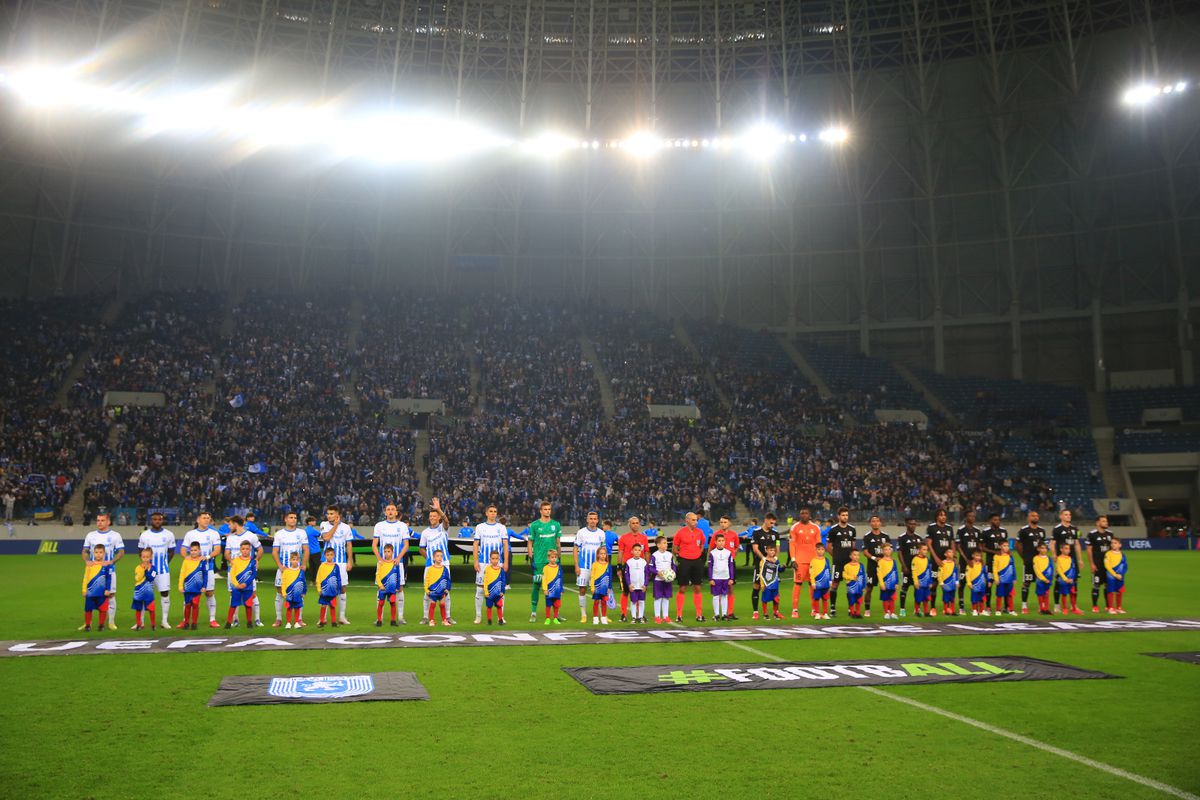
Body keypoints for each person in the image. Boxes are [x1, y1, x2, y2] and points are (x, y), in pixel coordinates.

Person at [83, 512, 124, 631]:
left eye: (102, 520)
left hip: (109, 571)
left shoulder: (115, 535)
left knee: (110, 595)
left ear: (108, 522)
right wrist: (86, 561)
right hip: (93, 571)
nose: (99, 523)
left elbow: (121, 552)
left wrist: (112, 561)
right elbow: (85, 551)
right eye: (98, 520)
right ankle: (88, 623)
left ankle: (111, 622)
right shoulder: (91, 535)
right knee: (89, 596)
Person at [181, 511, 222, 628]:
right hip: (192, 571)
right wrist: (189, 559)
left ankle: (212, 619)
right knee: (189, 595)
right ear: (198, 520)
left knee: (209, 593)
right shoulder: (190, 534)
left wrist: (207, 557)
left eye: (208, 518)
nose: (207, 520)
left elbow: (218, 550)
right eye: (204, 518)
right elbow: (183, 550)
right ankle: (185, 620)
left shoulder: (214, 533)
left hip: (208, 569)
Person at [417, 498, 454, 625]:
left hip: (444, 564)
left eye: (434, 515)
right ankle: (426, 617)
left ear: (439, 517)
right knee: (427, 591)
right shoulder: (425, 532)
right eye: (430, 516)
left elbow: (447, 521)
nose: (432, 518)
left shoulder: (443, 529)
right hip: (430, 565)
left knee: (446, 591)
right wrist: (429, 558)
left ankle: (447, 617)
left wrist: (439, 509)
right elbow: (421, 548)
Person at [224, 516, 264, 627]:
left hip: (247, 572)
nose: (229, 526)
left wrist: (256, 560)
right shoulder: (230, 538)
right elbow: (226, 553)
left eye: (230, 524)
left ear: (235, 524)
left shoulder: (251, 536)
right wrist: (231, 561)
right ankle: (235, 620)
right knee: (233, 594)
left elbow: (260, 549)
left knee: (253, 594)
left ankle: (256, 620)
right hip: (234, 571)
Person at [472, 506, 509, 626]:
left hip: (498, 562)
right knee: (480, 589)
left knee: (499, 589)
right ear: (486, 513)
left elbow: (505, 545)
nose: (493, 514)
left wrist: (506, 561)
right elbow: (476, 544)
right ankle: (478, 616)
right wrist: (476, 561)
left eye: (495, 511)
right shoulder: (480, 527)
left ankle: (500, 617)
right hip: (483, 562)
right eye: (491, 511)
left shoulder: (501, 528)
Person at [136, 511, 174, 630]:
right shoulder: (144, 535)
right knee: (143, 595)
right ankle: (140, 622)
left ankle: (164, 621)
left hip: (163, 571)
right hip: (147, 571)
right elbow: (140, 551)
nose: (157, 521)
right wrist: (146, 565)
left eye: (159, 519)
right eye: (155, 519)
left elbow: (171, 551)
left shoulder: (169, 534)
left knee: (165, 594)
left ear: (162, 520)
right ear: (151, 520)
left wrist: (165, 563)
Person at [272, 512, 309, 627]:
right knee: (280, 592)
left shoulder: (301, 533)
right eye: (291, 518)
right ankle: (278, 619)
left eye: (295, 517)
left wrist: (303, 564)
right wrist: (280, 566)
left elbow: (306, 550)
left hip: (297, 570)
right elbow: (274, 552)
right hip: (284, 569)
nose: (293, 519)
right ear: (285, 519)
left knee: (298, 592)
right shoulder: (279, 534)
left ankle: (299, 619)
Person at [320, 506, 355, 625]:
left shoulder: (346, 527)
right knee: (326, 589)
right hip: (327, 563)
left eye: (331, 514)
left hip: (341, 562)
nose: (329, 516)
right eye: (328, 514)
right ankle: (323, 618)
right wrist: (335, 525)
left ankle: (341, 617)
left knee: (342, 588)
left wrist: (350, 560)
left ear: (337, 514)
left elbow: (349, 545)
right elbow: (326, 537)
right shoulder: (324, 524)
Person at [528, 501, 562, 622]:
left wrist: (559, 557)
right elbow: (530, 542)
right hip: (539, 561)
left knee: (555, 587)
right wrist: (531, 558)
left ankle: (556, 614)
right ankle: (533, 612)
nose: (547, 511)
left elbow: (558, 542)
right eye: (545, 509)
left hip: (553, 561)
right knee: (537, 585)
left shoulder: (556, 525)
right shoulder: (534, 525)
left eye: (549, 509)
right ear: (541, 511)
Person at [672, 512, 707, 623]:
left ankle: (699, 614)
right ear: (686, 520)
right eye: (693, 520)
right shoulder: (680, 533)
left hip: (697, 562)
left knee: (697, 587)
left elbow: (702, 545)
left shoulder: (700, 532)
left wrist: (697, 554)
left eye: (696, 520)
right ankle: (679, 615)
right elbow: (674, 549)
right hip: (684, 561)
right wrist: (681, 557)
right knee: (682, 588)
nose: (695, 522)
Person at [788, 507, 822, 618]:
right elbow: (792, 544)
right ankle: (795, 610)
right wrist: (793, 559)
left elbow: (819, 545)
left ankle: (814, 610)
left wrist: (819, 560)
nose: (804, 515)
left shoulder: (815, 528)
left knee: (812, 585)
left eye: (806, 513)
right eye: (802, 513)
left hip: (813, 562)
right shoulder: (795, 527)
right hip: (800, 561)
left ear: (809, 514)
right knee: (797, 584)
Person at [574, 511, 606, 624]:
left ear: (597, 520)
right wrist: (577, 565)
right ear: (587, 520)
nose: (592, 520)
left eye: (595, 518)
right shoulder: (581, 532)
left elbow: (604, 551)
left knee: (600, 591)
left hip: (598, 567)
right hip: (584, 566)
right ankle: (583, 614)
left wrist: (605, 566)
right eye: (590, 518)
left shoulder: (601, 533)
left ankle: (602, 615)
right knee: (582, 589)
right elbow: (575, 549)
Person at [750, 514, 782, 619]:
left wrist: (775, 559)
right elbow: (755, 548)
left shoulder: (775, 533)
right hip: (760, 564)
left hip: (772, 566)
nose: (772, 525)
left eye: (774, 523)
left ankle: (775, 612)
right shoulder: (756, 532)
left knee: (773, 587)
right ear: (765, 520)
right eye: (771, 523)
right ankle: (755, 612)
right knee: (757, 586)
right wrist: (764, 559)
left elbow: (777, 547)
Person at [825, 507, 856, 617]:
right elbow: (828, 546)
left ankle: (850, 608)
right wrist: (836, 556)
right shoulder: (833, 530)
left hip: (849, 563)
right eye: (843, 515)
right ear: (838, 516)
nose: (845, 517)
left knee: (850, 584)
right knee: (835, 584)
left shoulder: (852, 529)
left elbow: (853, 545)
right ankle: (832, 608)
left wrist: (852, 557)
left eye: (846, 515)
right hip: (838, 562)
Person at [1051, 510, 1083, 612]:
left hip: (1072, 560)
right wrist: (1054, 555)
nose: (1068, 516)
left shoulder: (1075, 529)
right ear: (1061, 516)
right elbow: (1052, 543)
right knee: (1059, 581)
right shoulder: (1057, 529)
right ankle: (1057, 605)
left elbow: (1077, 544)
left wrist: (1080, 559)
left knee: (1074, 581)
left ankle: (1074, 606)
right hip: (1061, 559)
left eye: (1069, 514)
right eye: (1066, 514)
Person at [1016, 510, 1047, 614]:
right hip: (1029, 561)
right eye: (1033, 516)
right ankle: (1024, 605)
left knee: (1041, 583)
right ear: (1028, 518)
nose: (1035, 517)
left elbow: (1043, 546)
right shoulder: (1024, 530)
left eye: (1037, 515)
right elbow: (1018, 544)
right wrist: (1023, 557)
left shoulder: (1042, 531)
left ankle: (1041, 605)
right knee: (1027, 583)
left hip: (1040, 562)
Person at [924, 509, 954, 613]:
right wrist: (936, 558)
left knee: (948, 583)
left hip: (947, 562)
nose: (943, 517)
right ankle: (933, 607)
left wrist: (953, 556)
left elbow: (952, 542)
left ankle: (947, 608)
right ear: (937, 517)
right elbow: (929, 544)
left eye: (945, 515)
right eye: (941, 515)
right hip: (936, 561)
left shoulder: (949, 528)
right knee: (935, 584)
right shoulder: (932, 527)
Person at [860, 514, 890, 618]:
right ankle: (867, 610)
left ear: (880, 523)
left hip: (885, 567)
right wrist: (874, 558)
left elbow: (889, 550)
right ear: (870, 523)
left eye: (877, 521)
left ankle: (887, 611)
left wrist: (885, 559)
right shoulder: (867, 536)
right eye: (873, 521)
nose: (875, 523)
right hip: (872, 566)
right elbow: (865, 552)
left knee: (886, 587)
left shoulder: (885, 537)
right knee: (869, 588)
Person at [81, 544, 113, 632]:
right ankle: (87, 625)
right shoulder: (90, 565)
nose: (98, 554)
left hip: (102, 592)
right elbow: (85, 578)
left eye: (100, 552)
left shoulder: (107, 565)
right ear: (93, 553)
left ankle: (101, 625)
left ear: (104, 554)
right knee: (88, 609)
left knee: (103, 609)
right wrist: (84, 590)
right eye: (96, 552)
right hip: (90, 592)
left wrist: (107, 589)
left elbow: (109, 579)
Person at [225, 540, 257, 629]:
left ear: (250, 549)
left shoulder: (252, 561)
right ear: (240, 549)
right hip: (236, 587)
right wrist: (237, 584)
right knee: (233, 604)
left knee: (248, 605)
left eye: (247, 549)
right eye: (243, 549)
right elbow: (232, 574)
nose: (245, 551)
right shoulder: (235, 560)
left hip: (248, 587)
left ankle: (249, 623)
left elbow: (253, 574)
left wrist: (245, 584)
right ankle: (228, 623)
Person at [895, 516, 924, 617]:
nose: (913, 526)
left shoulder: (919, 538)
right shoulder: (902, 538)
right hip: (907, 569)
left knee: (918, 589)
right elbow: (899, 553)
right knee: (904, 588)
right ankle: (902, 609)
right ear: (906, 524)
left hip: (917, 570)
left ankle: (917, 609)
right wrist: (904, 566)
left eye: (914, 524)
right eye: (911, 524)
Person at [712, 516, 739, 620]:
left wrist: (733, 556)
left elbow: (736, 546)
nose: (722, 524)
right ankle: (718, 613)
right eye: (721, 522)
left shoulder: (734, 535)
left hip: (730, 564)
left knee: (730, 588)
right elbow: (711, 548)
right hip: (718, 567)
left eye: (725, 522)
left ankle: (730, 612)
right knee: (718, 590)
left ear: (729, 523)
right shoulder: (716, 535)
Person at [178, 541, 210, 630]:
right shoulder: (186, 561)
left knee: (195, 605)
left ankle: (194, 623)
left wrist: (204, 586)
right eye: (191, 550)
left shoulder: (202, 561)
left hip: (197, 588)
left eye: (195, 550)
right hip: (187, 588)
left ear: (199, 551)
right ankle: (186, 622)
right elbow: (182, 574)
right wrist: (180, 586)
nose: (193, 552)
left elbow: (205, 574)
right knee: (187, 605)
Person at [1086, 515, 1114, 613]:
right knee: (1096, 585)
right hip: (1097, 565)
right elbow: (1089, 550)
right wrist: (1092, 564)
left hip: (1108, 566)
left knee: (1108, 585)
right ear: (1098, 523)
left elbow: (1113, 549)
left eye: (1106, 521)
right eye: (1103, 521)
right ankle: (1095, 606)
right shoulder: (1092, 534)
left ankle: (1108, 605)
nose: (1106, 523)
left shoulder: (1110, 534)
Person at [980, 513, 1009, 608]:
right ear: (990, 521)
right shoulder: (986, 532)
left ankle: (1005, 606)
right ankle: (988, 606)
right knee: (989, 583)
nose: (997, 521)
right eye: (995, 520)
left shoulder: (1003, 531)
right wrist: (994, 552)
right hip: (990, 561)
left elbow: (1005, 545)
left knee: (1004, 583)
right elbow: (982, 547)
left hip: (1003, 563)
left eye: (999, 520)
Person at [956, 509, 982, 612]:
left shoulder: (977, 531)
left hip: (975, 563)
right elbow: (958, 546)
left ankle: (974, 607)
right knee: (962, 584)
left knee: (976, 583)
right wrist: (966, 559)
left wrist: (981, 559)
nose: (972, 518)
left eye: (973, 516)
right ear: (966, 517)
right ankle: (961, 606)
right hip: (964, 562)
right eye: (970, 516)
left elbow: (979, 546)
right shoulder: (961, 530)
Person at [707, 532, 735, 621]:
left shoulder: (728, 553)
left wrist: (731, 578)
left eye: (723, 541)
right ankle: (716, 614)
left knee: (724, 596)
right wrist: (710, 578)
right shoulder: (712, 553)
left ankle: (724, 614)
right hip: (716, 578)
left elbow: (731, 565)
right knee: (716, 596)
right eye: (719, 541)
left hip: (725, 577)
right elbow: (710, 566)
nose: (721, 542)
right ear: (715, 542)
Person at [375, 543, 403, 627]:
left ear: (392, 552)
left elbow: (398, 576)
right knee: (381, 603)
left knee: (393, 603)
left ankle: (393, 621)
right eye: (385, 551)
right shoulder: (381, 563)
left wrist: (397, 587)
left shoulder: (395, 563)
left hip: (392, 588)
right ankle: (379, 620)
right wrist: (380, 585)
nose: (387, 553)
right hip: (383, 588)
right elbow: (377, 575)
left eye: (388, 551)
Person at [649, 536, 675, 624]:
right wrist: (657, 572)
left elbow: (673, 565)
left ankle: (665, 616)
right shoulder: (654, 555)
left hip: (667, 580)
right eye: (664, 543)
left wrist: (673, 572)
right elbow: (650, 568)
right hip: (658, 580)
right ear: (658, 545)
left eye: (666, 543)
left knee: (666, 598)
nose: (666, 544)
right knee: (658, 598)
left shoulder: (669, 555)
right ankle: (657, 616)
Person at [131, 547, 158, 630]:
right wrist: (143, 570)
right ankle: (139, 624)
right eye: (143, 557)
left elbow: (151, 578)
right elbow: (137, 578)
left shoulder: (154, 568)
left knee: (151, 609)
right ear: (141, 557)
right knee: (138, 609)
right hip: (139, 591)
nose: (145, 559)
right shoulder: (138, 568)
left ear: (151, 557)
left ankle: (153, 625)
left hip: (149, 592)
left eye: (147, 557)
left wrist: (146, 571)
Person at [316, 547, 343, 627]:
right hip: (324, 590)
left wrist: (338, 589)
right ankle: (321, 621)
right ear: (325, 556)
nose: (329, 556)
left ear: (334, 555)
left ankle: (334, 622)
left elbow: (338, 578)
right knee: (323, 605)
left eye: (331, 555)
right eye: (327, 555)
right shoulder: (322, 566)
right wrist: (319, 589)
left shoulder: (336, 566)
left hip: (332, 590)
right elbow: (318, 578)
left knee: (332, 606)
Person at [424, 549, 452, 626]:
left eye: (441, 556)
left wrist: (447, 588)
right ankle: (431, 620)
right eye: (437, 556)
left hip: (442, 591)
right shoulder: (430, 569)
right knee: (432, 604)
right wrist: (426, 589)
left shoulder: (445, 569)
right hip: (433, 591)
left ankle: (444, 620)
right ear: (433, 558)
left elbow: (448, 580)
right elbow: (427, 580)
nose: (439, 558)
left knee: (442, 605)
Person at [756, 545, 784, 619]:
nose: (772, 552)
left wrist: (783, 568)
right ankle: (765, 614)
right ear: (766, 551)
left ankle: (775, 613)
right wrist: (762, 584)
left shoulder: (776, 560)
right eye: (771, 550)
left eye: (774, 550)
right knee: (765, 599)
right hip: (767, 583)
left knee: (776, 598)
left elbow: (779, 570)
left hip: (775, 583)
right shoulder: (764, 561)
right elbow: (761, 573)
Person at [624, 542, 650, 624]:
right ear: (632, 551)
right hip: (633, 586)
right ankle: (634, 617)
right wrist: (629, 584)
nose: (637, 552)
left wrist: (645, 585)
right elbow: (627, 574)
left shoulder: (644, 562)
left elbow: (646, 574)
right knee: (633, 601)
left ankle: (641, 617)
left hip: (642, 586)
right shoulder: (629, 562)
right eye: (635, 550)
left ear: (641, 552)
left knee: (642, 601)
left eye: (639, 550)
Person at [1054, 542, 1081, 616]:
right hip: (1064, 580)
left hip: (1071, 579)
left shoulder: (1071, 559)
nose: (1068, 550)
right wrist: (1065, 579)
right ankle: (1065, 608)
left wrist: (1072, 578)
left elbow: (1073, 569)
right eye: (1066, 548)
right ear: (1061, 549)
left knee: (1073, 593)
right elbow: (1059, 570)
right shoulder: (1059, 559)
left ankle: (1074, 608)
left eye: (1068, 548)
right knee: (1064, 594)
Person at [281, 552, 307, 628]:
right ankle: (288, 623)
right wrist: (284, 593)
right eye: (293, 559)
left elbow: (303, 582)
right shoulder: (286, 571)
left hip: (298, 594)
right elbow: (284, 583)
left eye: (296, 559)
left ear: (299, 560)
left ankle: (296, 622)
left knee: (297, 608)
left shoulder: (301, 571)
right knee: (289, 608)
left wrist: (303, 592)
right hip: (289, 593)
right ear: (290, 560)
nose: (295, 561)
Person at [482, 549, 507, 625]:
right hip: (489, 593)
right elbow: (485, 581)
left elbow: (503, 582)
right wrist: (486, 591)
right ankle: (489, 620)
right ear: (490, 559)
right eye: (493, 558)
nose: (495, 560)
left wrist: (502, 591)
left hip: (498, 594)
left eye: (496, 559)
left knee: (499, 606)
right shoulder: (487, 569)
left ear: (499, 559)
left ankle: (500, 620)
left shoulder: (501, 570)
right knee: (489, 606)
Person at [992, 541, 1017, 615]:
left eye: (1007, 546)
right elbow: (995, 568)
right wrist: (996, 578)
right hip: (1001, 579)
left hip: (1009, 579)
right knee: (999, 595)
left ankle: (1011, 610)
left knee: (1010, 595)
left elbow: (1013, 567)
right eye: (1004, 546)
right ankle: (998, 610)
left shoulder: (1010, 556)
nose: (1006, 547)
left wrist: (1014, 578)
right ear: (1000, 547)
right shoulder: (996, 556)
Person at [589, 549, 613, 625]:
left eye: (604, 554)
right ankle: (595, 618)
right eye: (601, 554)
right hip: (597, 586)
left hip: (605, 587)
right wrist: (592, 587)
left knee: (604, 602)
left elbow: (610, 577)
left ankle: (603, 617)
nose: (603, 555)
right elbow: (592, 576)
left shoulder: (608, 565)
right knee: (596, 602)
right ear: (598, 555)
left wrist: (609, 587)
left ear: (606, 555)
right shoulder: (595, 564)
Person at [1104, 537, 1127, 614]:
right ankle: (1111, 608)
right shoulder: (1108, 554)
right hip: (1111, 575)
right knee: (1110, 590)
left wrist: (1121, 574)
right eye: (1112, 543)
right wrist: (1115, 574)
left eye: (1115, 543)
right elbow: (1107, 566)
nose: (1113, 544)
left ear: (1120, 545)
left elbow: (1125, 566)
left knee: (1119, 591)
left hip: (1120, 576)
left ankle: (1119, 607)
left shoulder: (1122, 555)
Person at [877, 543, 900, 619]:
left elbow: (896, 572)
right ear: (882, 551)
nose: (888, 551)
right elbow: (879, 573)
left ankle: (892, 612)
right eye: (886, 549)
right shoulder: (881, 562)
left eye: (889, 549)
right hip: (885, 583)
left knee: (892, 598)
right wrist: (881, 583)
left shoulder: (893, 561)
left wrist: (897, 583)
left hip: (893, 583)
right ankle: (886, 612)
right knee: (885, 598)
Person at [809, 542, 832, 620]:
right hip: (817, 583)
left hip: (825, 583)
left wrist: (830, 581)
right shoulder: (813, 561)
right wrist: (813, 582)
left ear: (824, 550)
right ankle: (817, 613)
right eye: (818, 549)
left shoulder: (827, 560)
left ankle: (825, 613)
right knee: (816, 598)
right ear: (816, 550)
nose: (820, 551)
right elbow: (811, 572)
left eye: (822, 549)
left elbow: (829, 570)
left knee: (825, 598)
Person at [541, 549, 564, 625]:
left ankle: (555, 618)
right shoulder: (546, 568)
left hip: (557, 590)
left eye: (555, 557)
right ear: (548, 558)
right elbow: (544, 579)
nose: (554, 559)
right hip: (549, 589)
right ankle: (547, 618)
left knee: (557, 605)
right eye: (552, 557)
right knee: (548, 604)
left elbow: (561, 579)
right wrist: (545, 589)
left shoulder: (559, 567)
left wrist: (561, 589)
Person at [910, 544, 934, 617]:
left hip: (926, 583)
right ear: (919, 550)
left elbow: (930, 571)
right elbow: (914, 572)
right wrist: (916, 582)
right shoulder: (915, 559)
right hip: (919, 583)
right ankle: (917, 612)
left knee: (926, 598)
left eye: (926, 550)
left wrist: (930, 582)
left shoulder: (927, 559)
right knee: (918, 598)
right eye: (924, 549)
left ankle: (926, 612)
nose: (925, 551)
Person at [1031, 542, 1054, 614]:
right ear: (1038, 549)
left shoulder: (1049, 558)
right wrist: (1044, 579)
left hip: (1048, 579)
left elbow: (1051, 568)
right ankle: (1041, 608)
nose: (1044, 550)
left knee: (1046, 594)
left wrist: (1050, 579)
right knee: (1040, 594)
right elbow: (1037, 571)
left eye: (1045, 548)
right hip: (1041, 580)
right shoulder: (1036, 558)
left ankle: (1046, 609)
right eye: (1042, 548)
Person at [843, 548, 866, 619]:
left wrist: (864, 586)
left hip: (859, 587)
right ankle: (852, 613)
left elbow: (864, 576)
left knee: (859, 600)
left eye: (858, 555)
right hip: (851, 586)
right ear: (850, 556)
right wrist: (852, 578)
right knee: (852, 600)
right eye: (854, 555)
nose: (856, 557)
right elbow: (844, 575)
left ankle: (858, 613)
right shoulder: (847, 566)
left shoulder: (861, 566)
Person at [965, 551, 989, 616]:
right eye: (977, 556)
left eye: (979, 556)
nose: (978, 557)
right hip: (974, 584)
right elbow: (967, 575)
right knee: (974, 598)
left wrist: (988, 581)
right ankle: (974, 610)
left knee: (982, 597)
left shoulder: (982, 565)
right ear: (973, 556)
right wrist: (969, 583)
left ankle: (982, 610)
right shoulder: (970, 564)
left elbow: (986, 574)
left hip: (982, 584)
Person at [937, 549, 958, 616]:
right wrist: (941, 582)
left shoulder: (954, 563)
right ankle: (945, 610)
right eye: (949, 552)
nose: (951, 553)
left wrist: (957, 581)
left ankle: (952, 611)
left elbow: (956, 573)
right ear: (945, 554)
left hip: (953, 583)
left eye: (952, 552)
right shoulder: (943, 563)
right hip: (946, 583)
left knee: (952, 598)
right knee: (946, 597)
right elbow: (940, 573)